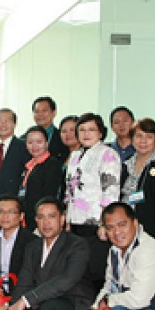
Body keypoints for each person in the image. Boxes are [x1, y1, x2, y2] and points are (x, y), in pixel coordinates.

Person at [0, 198, 95, 310]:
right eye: (41, 217)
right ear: (36, 220)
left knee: (51, 306)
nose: (46, 223)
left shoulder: (77, 245)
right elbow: (24, 282)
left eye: (51, 216)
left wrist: (25, 301)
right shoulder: (33, 247)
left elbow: (65, 281)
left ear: (62, 219)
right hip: (44, 307)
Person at [64, 113, 121, 288]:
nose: (86, 133)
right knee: (76, 271)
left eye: (91, 129)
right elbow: (69, 190)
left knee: (95, 272)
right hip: (75, 222)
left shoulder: (108, 154)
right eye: (81, 129)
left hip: (96, 224)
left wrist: (106, 224)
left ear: (101, 133)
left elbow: (111, 192)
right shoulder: (75, 155)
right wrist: (66, 219)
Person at [119, 118, 155, 242]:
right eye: (139, 136)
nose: (143, 141)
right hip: (122, 228)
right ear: (132, 139)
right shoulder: (125, 164)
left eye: (149, 137)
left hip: (149, 231)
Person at [19, 126, 63, 230]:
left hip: (41, 221)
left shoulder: (52, 165)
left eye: (39, 142)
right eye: (30, 142)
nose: (34, 146)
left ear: (47, 143)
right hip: (28, 219)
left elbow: (49, 195)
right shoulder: (29, 165)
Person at [30, 96, 69, 161]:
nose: (40, 114)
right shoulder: (24, 139)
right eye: (36, 111)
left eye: (44, 110)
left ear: (54, 113)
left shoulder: (63, 137)